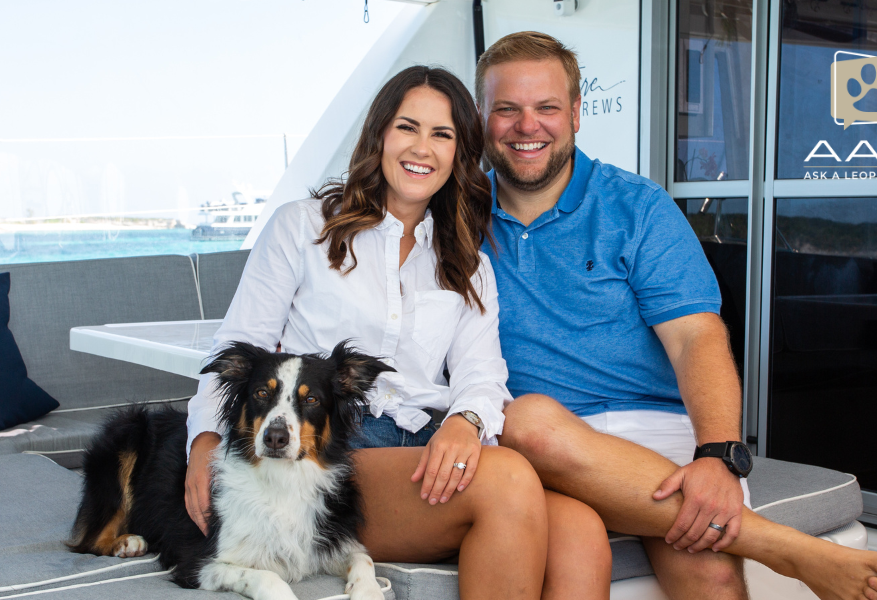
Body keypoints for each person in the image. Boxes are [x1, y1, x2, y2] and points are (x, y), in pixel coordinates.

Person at [477, 31, 877, 600]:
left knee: (711, 577)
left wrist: (717, 455)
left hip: (655, 429)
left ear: (577, 113)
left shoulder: (637, 205)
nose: (526, 126)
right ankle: (784, 549)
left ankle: (765, 544)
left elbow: (695, 339)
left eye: (547, 107)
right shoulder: (457, 218)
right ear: (481, 118)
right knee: (525, 420)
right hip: (538, 451)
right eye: (506, 109)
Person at [184, 65, 612, 600]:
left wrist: (466, 421)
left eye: (443, 134)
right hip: (334, 449)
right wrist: (204, 441)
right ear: (381, 133)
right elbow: (238, 345)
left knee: (581, 530)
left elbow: (483, 373)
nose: (422, 148)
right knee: (507, 479)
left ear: (460, 152)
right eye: (408, 127)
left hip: (429, 439)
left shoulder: (468, 264)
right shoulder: (302, 227)